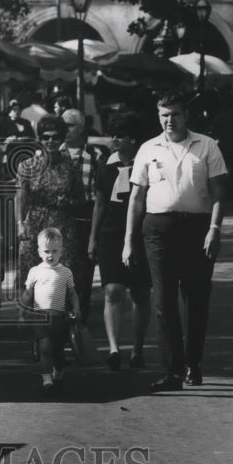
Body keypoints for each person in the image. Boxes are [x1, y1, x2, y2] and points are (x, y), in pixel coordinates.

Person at [123, 91, 228, 391]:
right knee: (163, 300)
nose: (170, 120)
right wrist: (129, 240)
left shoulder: (206, 145)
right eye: (164, 115)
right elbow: (136, 197)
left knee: (196, 300)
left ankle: (193, 364)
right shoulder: (147, 149)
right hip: (158, 229)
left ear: (186, 115)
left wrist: (215, 229)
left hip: (197, 228)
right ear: (158, 116)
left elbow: (220, 193)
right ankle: (172, 370)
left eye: (175, 114)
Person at [88, 111, 151, 370]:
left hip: (140, 232)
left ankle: (137, 348)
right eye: (113, 134)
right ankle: (114, 349)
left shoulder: (146, 163)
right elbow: (100, 203)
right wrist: (93, 237)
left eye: (121, 135)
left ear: (133, 139)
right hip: (111, 233)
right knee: (113, 291)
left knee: (139, 292)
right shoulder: (105, 164)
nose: (115, 139)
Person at [15, 115, 78, 287]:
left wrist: (69, 202)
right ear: (39, 138)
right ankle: (27, 313)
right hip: (34, 223)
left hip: (62, 225)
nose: (51, 141)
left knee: (59, 280)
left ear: (62, 138)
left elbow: (80, 198)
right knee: (29, 279)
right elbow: (21, 197)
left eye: (55, 137)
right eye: (46, 137)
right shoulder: (27, 166)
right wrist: (20, 223)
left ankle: (58, 313)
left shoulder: (70, 166)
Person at [20, 226, 80, 395]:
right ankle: (47, 378)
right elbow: (28, 293)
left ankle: (58, 371)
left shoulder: (66, 273)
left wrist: (77, 308)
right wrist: (23, 310)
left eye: (55, 251)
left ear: (61, 252)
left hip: (59, 317)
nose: (50, 255)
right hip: (40, 317)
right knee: (45, 348)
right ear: (39, 252)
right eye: (46, 251)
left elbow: (72, 293)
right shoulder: (35, 272)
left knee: (58, 350)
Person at [59, 108, 102, 326]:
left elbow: (100, 196)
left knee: (84, 275)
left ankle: (80, 321)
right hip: (60, 218)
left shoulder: (95, 156)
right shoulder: (53, 153)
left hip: (85, 218)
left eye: (71, 125)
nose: (66, 130)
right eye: (63, 125)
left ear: (82, 127)